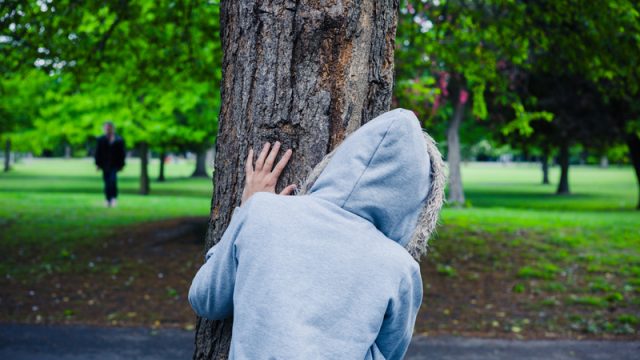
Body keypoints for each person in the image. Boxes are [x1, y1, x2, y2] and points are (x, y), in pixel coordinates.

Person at [189, 108, 445, 359]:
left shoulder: (261, 211)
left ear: (343, 159)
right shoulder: (401, 268)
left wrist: (244, 211)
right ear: (412, 198)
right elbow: (388, 353)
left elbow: (205, 299)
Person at [94, 121, 126, 207]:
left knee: (113, 181)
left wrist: (122, 165)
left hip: (114, 165)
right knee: (106, 182)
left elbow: (122, 153)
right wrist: (97, 164)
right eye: (106, 128)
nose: (107, 129)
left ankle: (113, 198)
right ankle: (107, 199)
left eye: (109, 128)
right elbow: (98, 153)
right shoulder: (100, 139)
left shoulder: (118, 139)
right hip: (104, 165)